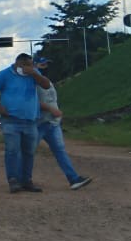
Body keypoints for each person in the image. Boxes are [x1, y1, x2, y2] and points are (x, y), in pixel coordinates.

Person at [0, 53, 52, 193]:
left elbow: (46, 85)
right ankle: (13, 180)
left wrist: (34, 73)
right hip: (11, 120)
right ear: (18, 64)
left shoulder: (34, 74)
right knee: (12, 151)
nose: (29, 67)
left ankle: (26, 180)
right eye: (26, 65)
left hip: (30, 120)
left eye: (31, 64)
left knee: (29, 152)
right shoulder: (5, 75)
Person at [34, 58, 92, 190]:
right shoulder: (32, 82)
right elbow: (31, 101)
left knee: (60, 151)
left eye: (47, 64)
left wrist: (55, 110)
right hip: (39, 123)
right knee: (28, 152)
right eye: (42, 64)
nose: (45, 67)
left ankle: (73, 179)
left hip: (53, 123)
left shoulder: (47, 81)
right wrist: (51, 109)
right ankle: (21, 179)